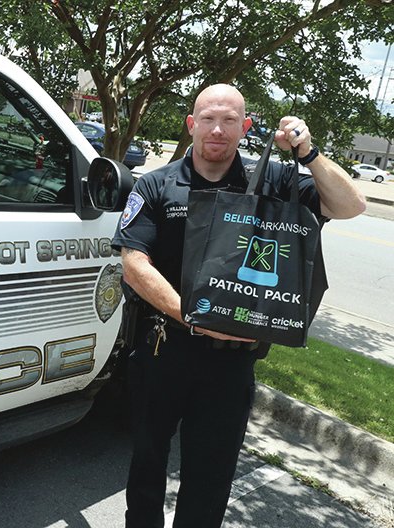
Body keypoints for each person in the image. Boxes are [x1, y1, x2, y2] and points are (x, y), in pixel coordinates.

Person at [112, 84, 365, 528]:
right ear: (191, 124)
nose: (217, 129)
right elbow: (133, 264)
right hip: (163, 350)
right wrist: (194, 316)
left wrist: (307, 153)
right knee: (148, 462)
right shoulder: (156, 184)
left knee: (211, 478)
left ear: (245, 128)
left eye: (230, 120)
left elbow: (351, 205)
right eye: (208, 118)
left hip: (232, 366)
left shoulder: (274, 182)